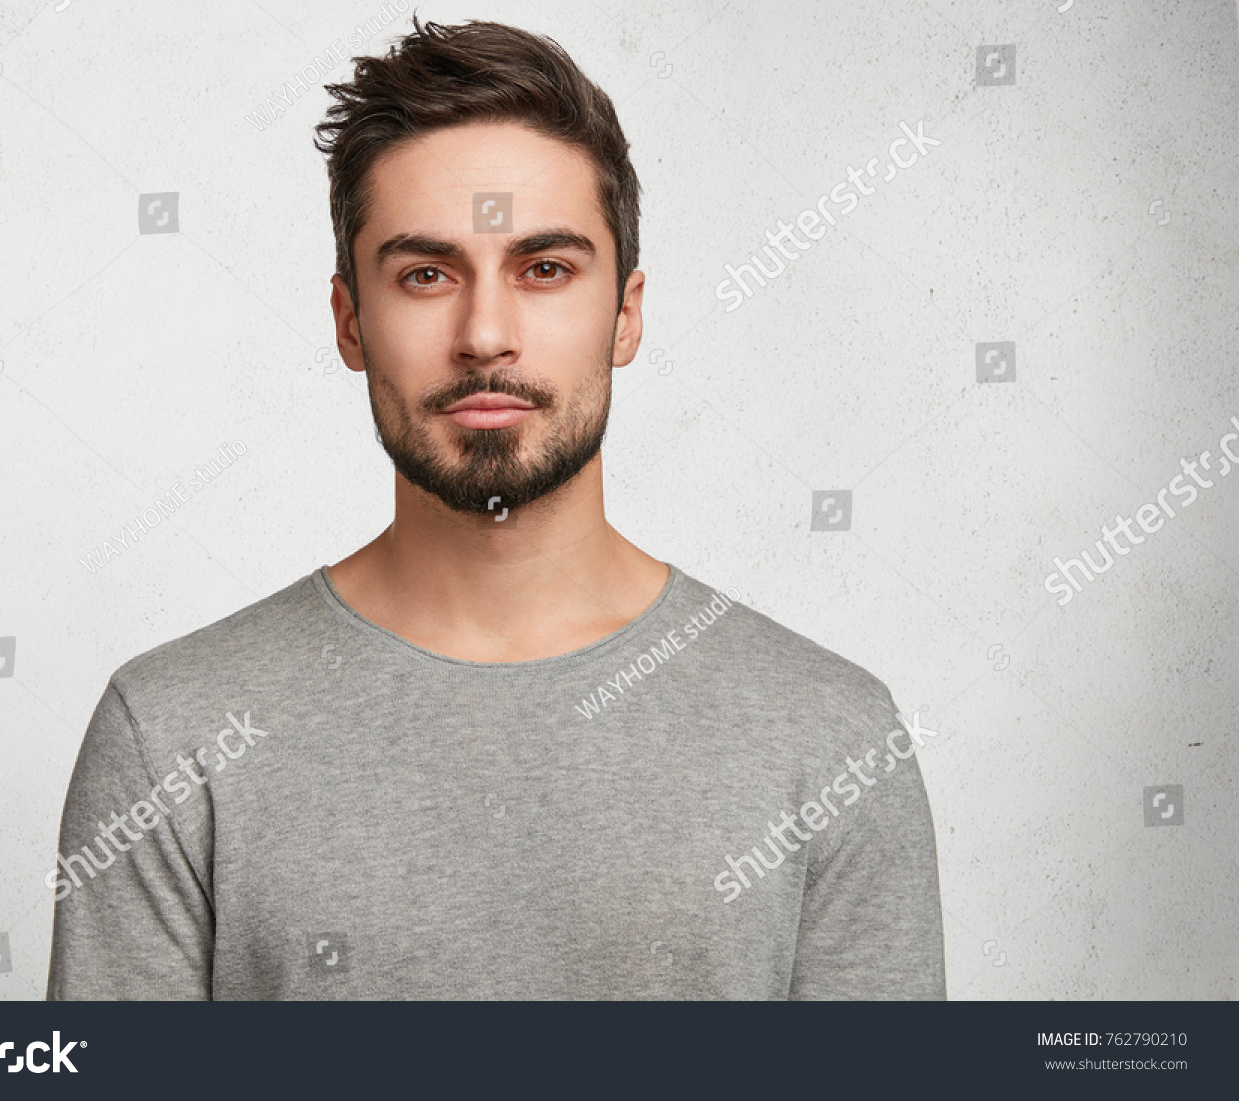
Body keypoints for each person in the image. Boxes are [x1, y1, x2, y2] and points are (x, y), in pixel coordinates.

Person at [47, 15, 945, 1000]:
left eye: (545, 269)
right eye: (426, 274)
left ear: (627, 314)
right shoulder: (172, 738)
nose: (484, 334)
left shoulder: (832, 740)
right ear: (351, 320)